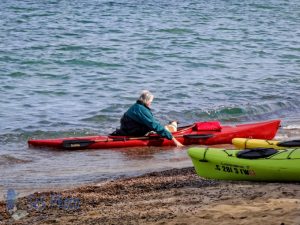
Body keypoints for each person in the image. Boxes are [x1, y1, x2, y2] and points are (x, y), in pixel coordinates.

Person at [111, 90, 184, 147]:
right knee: (156, 127)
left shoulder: (137, 106)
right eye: (150, 101)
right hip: (131, 131)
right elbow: (154, 125)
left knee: (156, 125)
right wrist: (174, 140)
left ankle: (171, 126)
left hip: (126, 129)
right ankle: (172, 126)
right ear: (146, 101)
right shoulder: (142, 110)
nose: (151, 103)